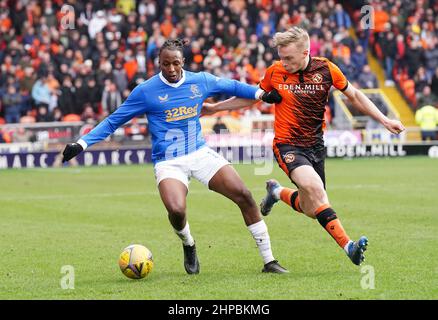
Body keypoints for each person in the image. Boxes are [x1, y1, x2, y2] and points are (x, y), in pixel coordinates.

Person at [61, 39, 287, 275]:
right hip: (168, 161)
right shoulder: (146, 91)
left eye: (175, 63)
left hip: (200, 153)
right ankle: (188, 243)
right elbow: (113, 121)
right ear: (158, 63)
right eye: (165, 64)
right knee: (177, 211)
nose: (170, 69)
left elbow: (234, 86)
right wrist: (82, 143)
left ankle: (269, 261)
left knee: (244, 195)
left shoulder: (200, 81)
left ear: (183, 62)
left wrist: (261, 94)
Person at [204, 27, 405, 266]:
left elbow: (355, 96)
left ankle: (276, 192)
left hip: (315, 146)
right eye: (280, 56)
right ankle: (349, 246)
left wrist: (384, 120)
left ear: (305, 53)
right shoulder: (275, 72)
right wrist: (215, 109)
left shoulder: (327, 69)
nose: (283, 62)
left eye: (288, 57)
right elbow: (252, 96)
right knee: (315, 189)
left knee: (312, 207)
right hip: (287, 145)